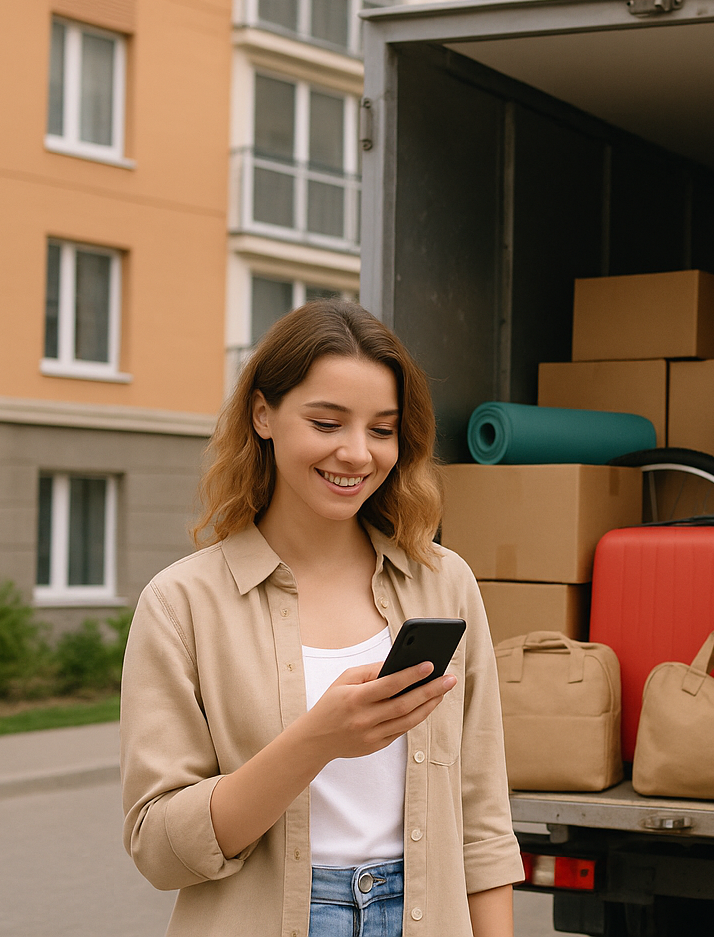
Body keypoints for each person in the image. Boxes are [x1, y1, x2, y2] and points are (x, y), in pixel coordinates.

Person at [120, 300, 522, 937]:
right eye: (328, 422)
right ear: (263, 415)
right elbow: (159, 849)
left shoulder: (444, 582)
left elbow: (482, 817)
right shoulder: (181, 604)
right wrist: (315, 742)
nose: (357, 454)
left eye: (382, 430)